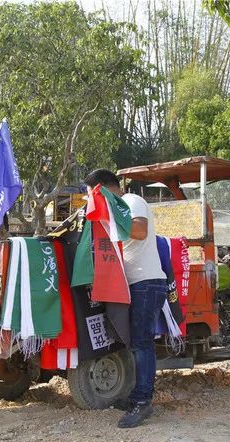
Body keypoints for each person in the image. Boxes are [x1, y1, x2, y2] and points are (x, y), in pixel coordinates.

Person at [84, 169, 167, 428]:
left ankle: (143, 402)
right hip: (131, 285)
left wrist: (108, 216)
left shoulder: (131, 202)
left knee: (142, 343)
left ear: (103, 190)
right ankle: (136, 395)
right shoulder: (115, 210)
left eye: (92, 195)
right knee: (134, 343)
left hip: (147, 282)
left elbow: (140, 230)